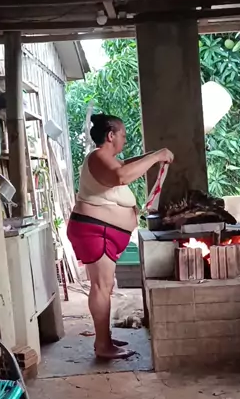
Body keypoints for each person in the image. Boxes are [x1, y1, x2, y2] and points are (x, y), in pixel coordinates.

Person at [67, 113, 174, 360]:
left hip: (100, 231)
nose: (125, 140)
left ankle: (104, 338)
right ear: (110, 135)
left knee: (105, 285)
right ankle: (103, 345)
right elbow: (122, 176)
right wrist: (155, 156)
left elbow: (124, 165)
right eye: (123, 135)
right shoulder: (98, 157)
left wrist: (153, 156)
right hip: (95, 231)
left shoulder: (107, 160)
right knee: (101, 286)